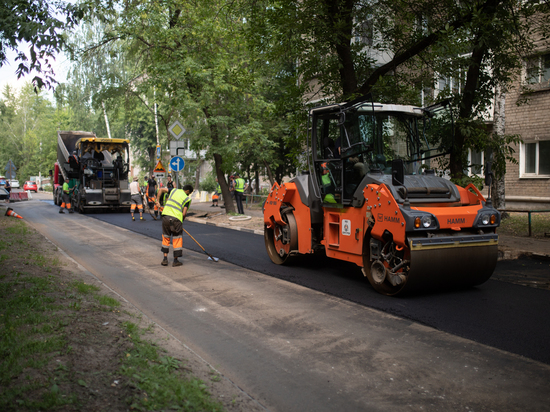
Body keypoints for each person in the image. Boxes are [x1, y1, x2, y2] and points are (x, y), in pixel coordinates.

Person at [156, 184, 194, 267]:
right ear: (187, 191)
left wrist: (157, 201)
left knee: (166, 237)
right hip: (176, 220)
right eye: (189, 193)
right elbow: (184, 213)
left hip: (166, 217)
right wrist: (181, 222)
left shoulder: (174, 190)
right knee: (177, 239)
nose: (189, 195)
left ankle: (165, 259)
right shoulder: (187, 199)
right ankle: (175, 260)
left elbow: (161, 189)